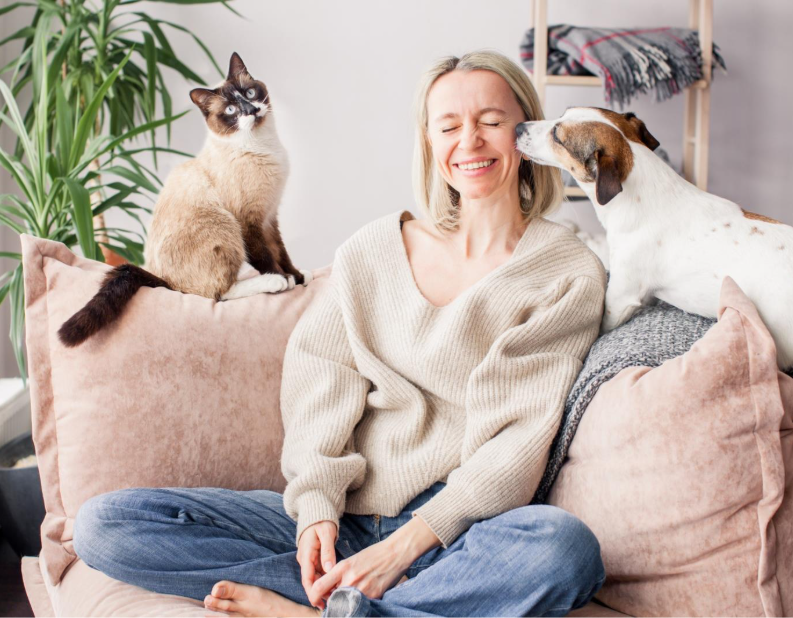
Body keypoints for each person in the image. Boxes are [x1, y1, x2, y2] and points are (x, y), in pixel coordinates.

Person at [73, 50, 608, 618]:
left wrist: (403, 548)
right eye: (448, 126)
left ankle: (329, 608)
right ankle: (352, 602)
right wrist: (317, 512)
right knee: (104, 525)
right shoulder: (373, 250)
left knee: (565, 549)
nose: (469, 142)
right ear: (429, 143)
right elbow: (320, 382)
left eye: (492, 122)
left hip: (452, 538)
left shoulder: (566, 272)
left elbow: (517, 442)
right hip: (343, 522)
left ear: (524, 133)